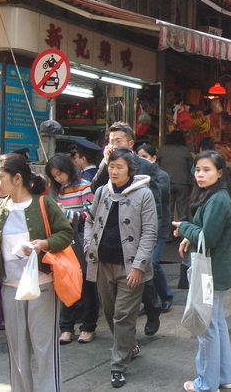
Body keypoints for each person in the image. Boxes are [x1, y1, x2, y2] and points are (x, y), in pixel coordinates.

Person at [0, 153, 73, 391]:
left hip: (43, 287)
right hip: (9, 288)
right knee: (17, 349)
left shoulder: (43, 204)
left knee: (44, 347)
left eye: (0, 177)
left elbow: (65, 233)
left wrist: (44, 244)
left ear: (17, 178)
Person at [84, 148, 157, 388]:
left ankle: (118, 366)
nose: (113, 171)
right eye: (111, 166)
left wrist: (139, 266)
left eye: (119, 167)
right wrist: (88, 246)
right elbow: (90, 220)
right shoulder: (102, 191)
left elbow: (149, 233)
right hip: (103, 263)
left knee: (123, 315)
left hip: (130, 267)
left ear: (130, 170)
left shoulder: (144, 195)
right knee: (110, 312)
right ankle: (128, 345)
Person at [172, 150, 231, 392]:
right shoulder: (215, 197)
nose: (200, 174)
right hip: (215, 270)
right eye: (198, 170)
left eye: (207, 170)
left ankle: (206, 384)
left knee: (207, 327)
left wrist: (183, 228)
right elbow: (205, 233)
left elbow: (207, 237)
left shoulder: (218, 199)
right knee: (216, 324)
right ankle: (222, 377)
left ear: (219, 173)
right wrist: (190, 234)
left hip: (212, 271)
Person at [92, 122, 165, 338]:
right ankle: (126, 340)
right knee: (115, 304)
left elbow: (157, 203)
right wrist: (105, 165)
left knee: (144, 277)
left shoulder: (146, 166)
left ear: (130, 143)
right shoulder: (108, 164)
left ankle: (153, 310)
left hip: (140, 233)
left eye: (118, 141)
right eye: (110, 141)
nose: (112, 145)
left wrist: (152, 236)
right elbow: (96, 190)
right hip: (113, 237)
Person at [45, 153, 99, 345]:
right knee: (65, 283)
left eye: (60, 173)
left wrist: (64, 213)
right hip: (65, 245)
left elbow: (92, 214)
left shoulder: (84, 185)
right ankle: (66, 327)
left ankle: (88, 326)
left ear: (69, 169)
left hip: (82, 243)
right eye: (55, 176)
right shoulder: (58, 191)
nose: (59, 178)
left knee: (87, 284)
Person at [136, 144, 174, 312]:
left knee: (153, 262)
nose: (141, 160)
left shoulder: (161, 176)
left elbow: (158, 196)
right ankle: (150, 301)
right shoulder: (136, 175)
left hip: (159, 226)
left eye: (145, 156)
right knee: (144, 264)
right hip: (140, 227)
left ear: (153, 158)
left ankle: (166, 296)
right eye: (139, 156)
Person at [157, 130, 193, 222]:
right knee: (182, 211)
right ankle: (182, 234)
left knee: (168, 210)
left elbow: (157, 166)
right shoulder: (185, 151)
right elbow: (191, 168)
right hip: (182, 183)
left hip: (166, 183)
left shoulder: (163, 149)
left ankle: (168, 235)